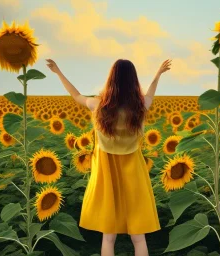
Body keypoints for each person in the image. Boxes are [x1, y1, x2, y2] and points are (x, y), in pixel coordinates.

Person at [46, 58, 172, 256]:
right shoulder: (140, 109)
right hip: (135, 176)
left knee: (108, 236)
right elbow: (150, 93)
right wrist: (158, 74)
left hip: (106, 178)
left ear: (110, 80)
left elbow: (76, 95)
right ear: (133, 81)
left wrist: (58, 72)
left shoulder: (98, 107)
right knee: (139, 237)